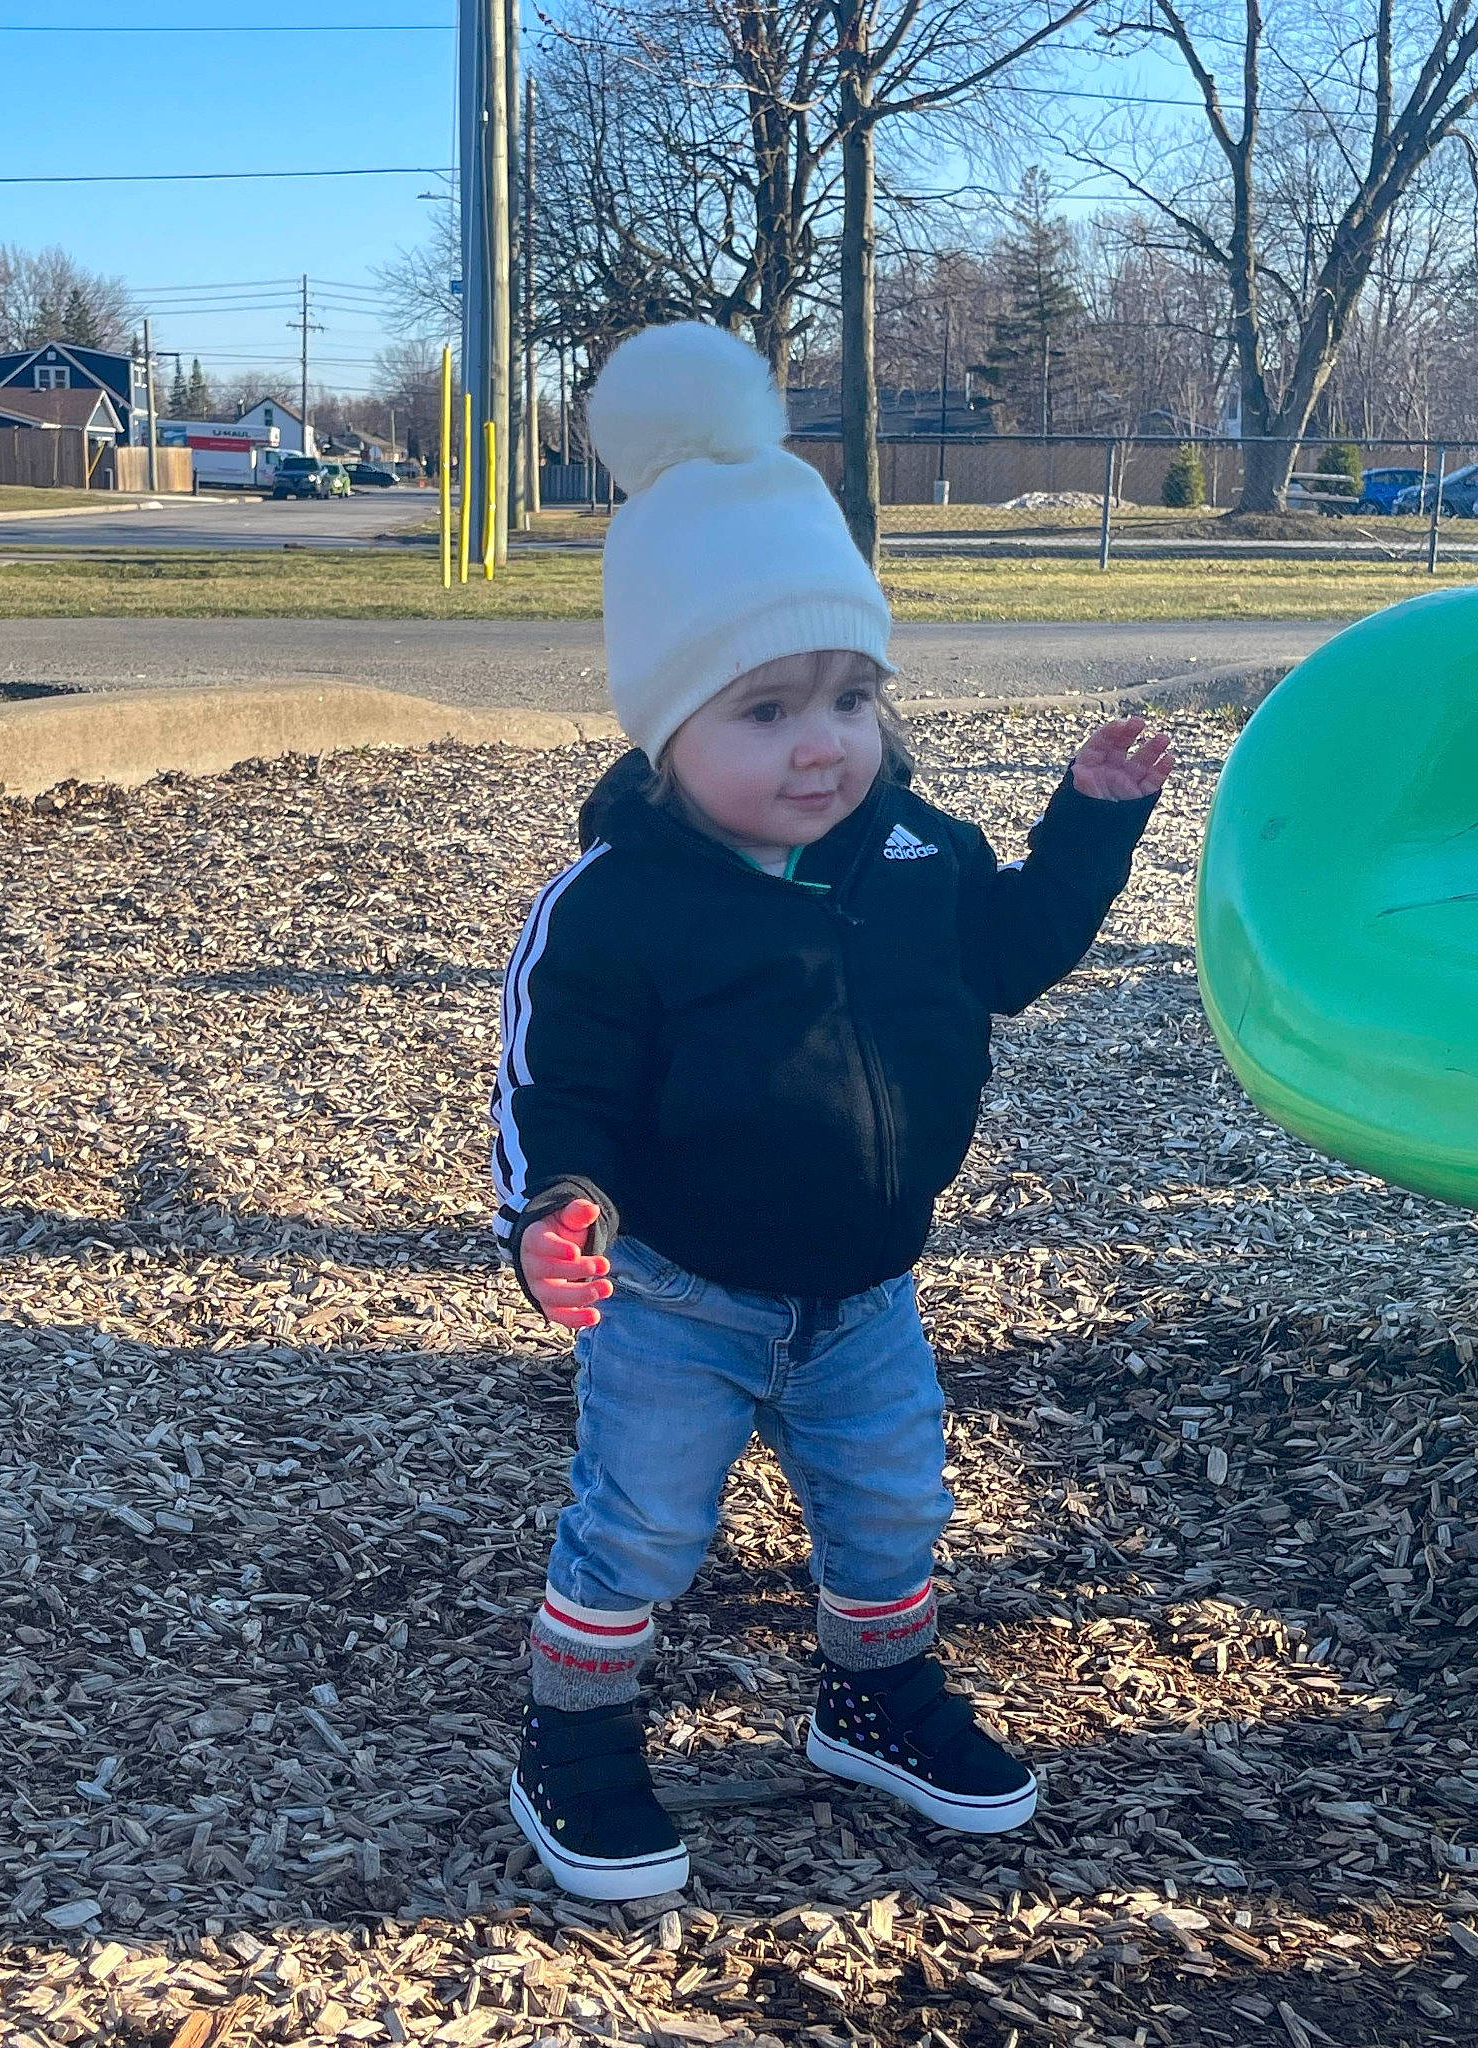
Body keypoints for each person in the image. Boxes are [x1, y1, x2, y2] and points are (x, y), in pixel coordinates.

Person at [490, 322, 1175, 1902]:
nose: (825, 744)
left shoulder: (914, 847)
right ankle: (577, 1736)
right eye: (766, 710)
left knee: (892, 1507)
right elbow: (556, 1080)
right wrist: (560, 1207)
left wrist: (1088, 828)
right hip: (677, 1290)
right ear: (665, 737)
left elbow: (1009, 960)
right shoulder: (616, 906)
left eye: (850, 696)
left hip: (866, 1284)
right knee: (644, 1526)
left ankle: (875, 1695)